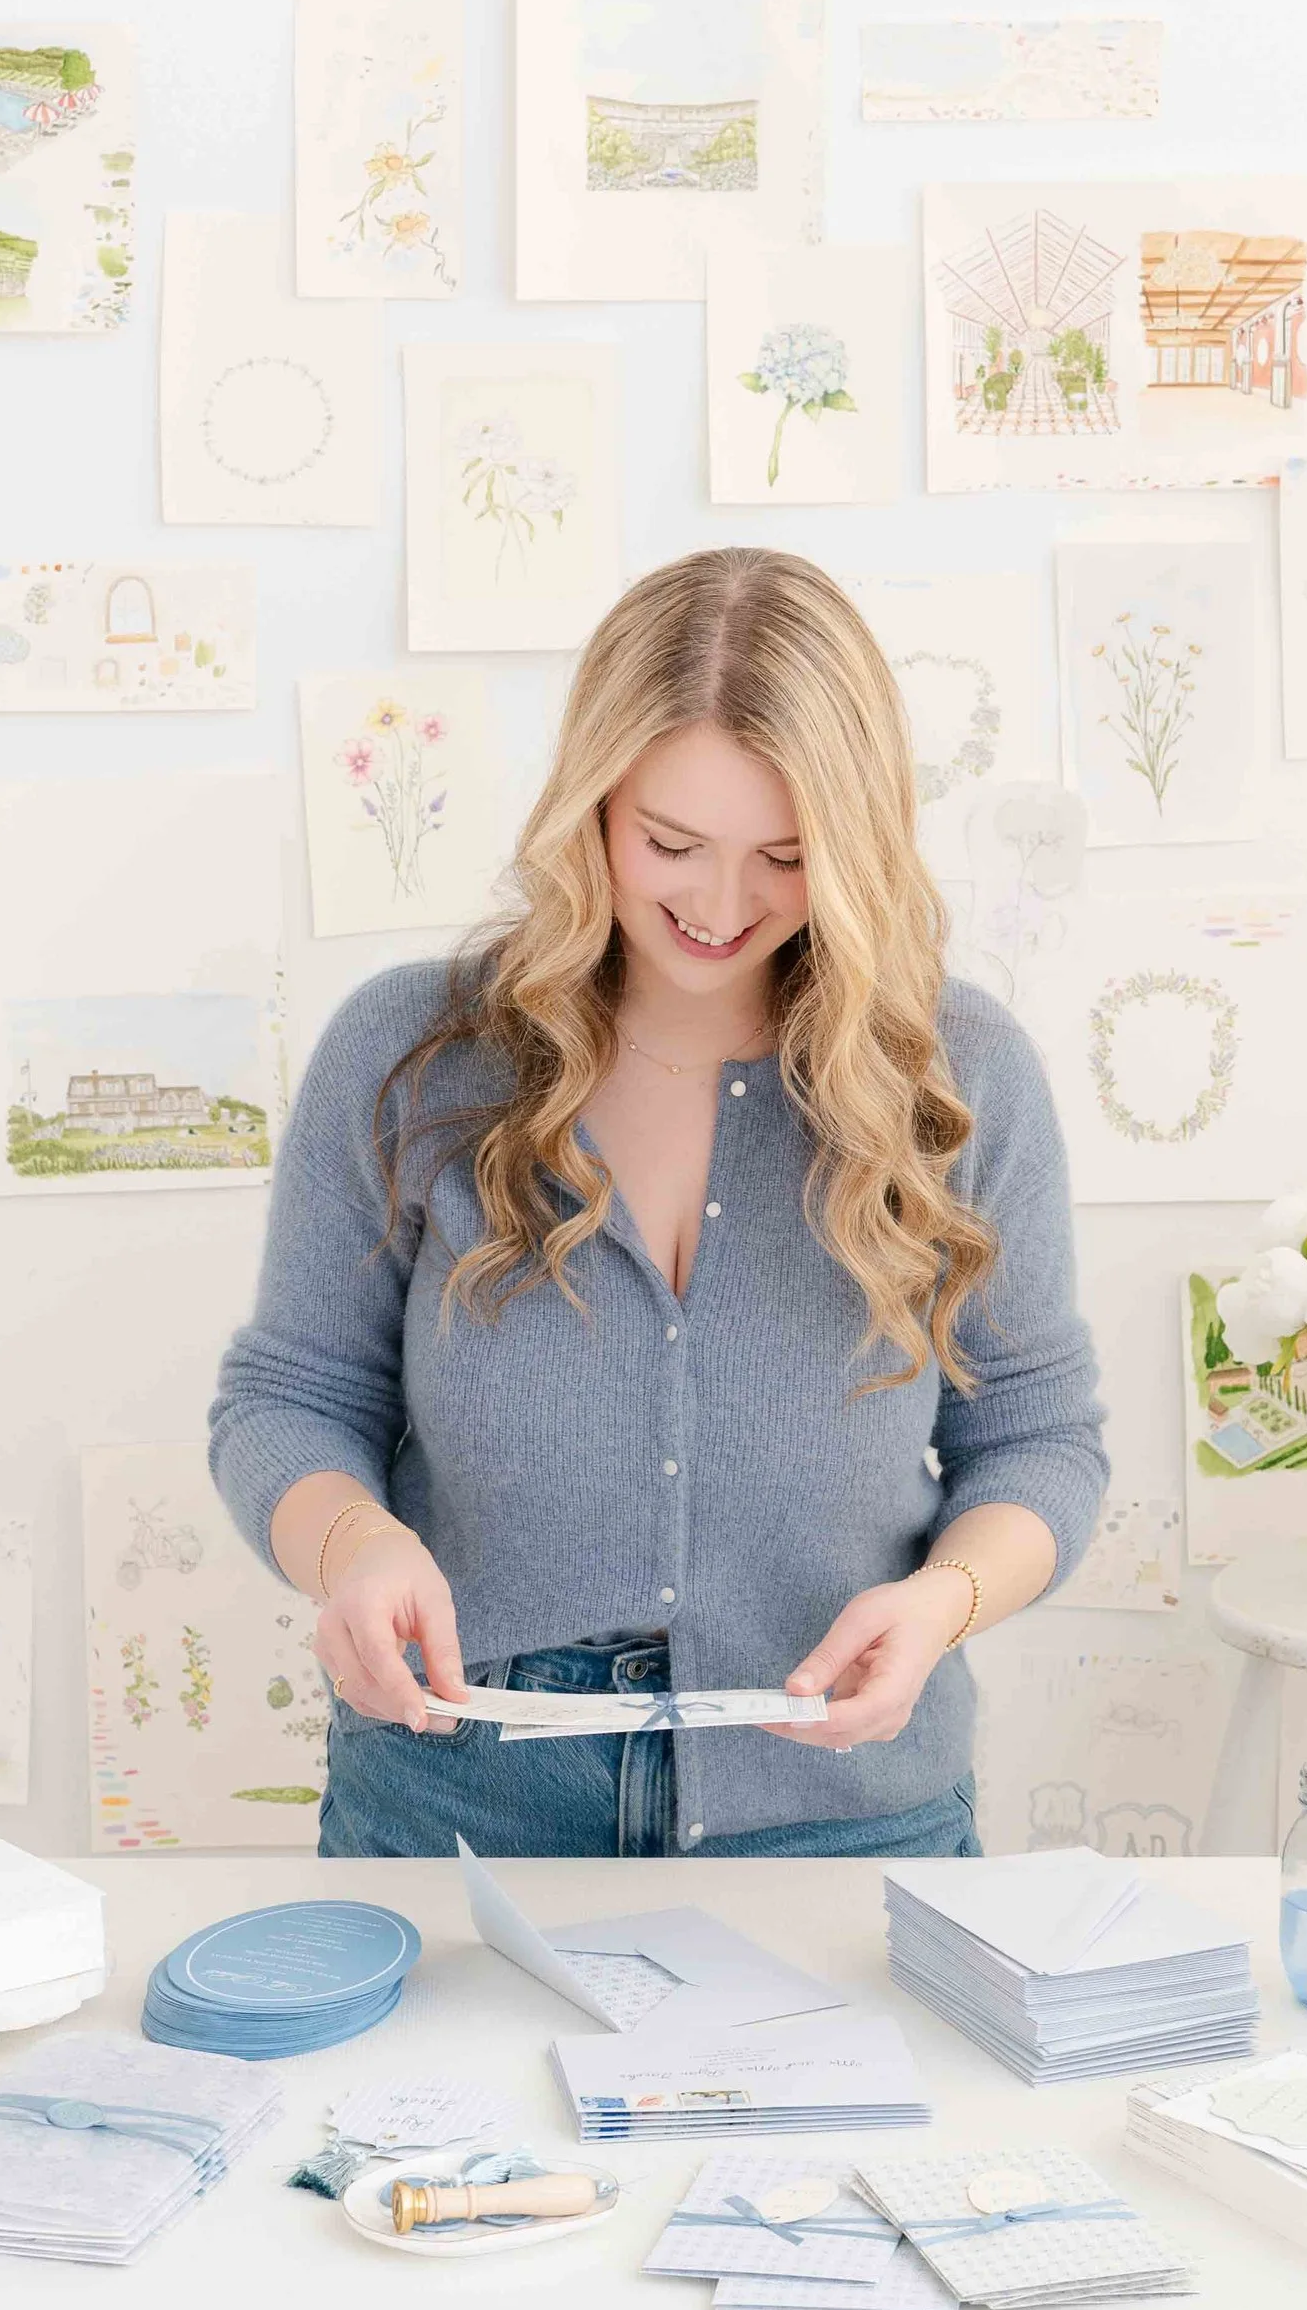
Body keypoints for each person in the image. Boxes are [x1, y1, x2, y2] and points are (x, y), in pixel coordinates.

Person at [209, 544, 1106, 1858]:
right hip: (455, 1794)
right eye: (671, 843)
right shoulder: (413, 1055)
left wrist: (946, 1602)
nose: (721, 904)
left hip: (840, 1808)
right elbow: (288, 1398)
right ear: (592, 807)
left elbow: (1041, 1441)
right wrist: (352, 1542)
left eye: (786, 856)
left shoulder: (955, 1076)